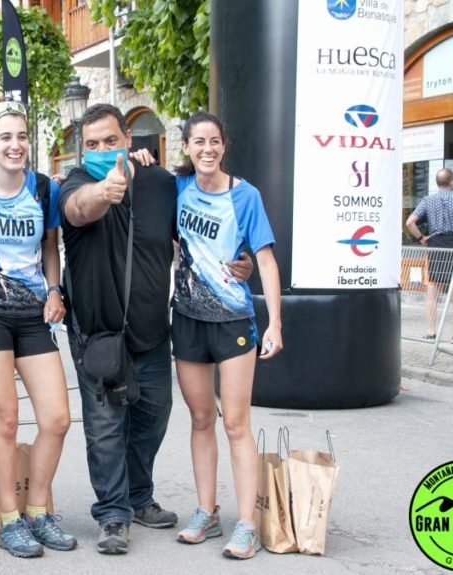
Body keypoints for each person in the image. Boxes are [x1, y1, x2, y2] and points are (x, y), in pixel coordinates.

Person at [59, 104, 252, 555]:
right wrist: (104, 190)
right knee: (105, 427)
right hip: (97, 335)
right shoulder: (75, 183)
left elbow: (200, 231)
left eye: (111, 141)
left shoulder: (162, 184)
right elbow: (78, 210)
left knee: (154, 413)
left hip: (151, 332)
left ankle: (137, 494)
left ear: (128, 140)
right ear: (82, 149)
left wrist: (240, 263)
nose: (102, 149)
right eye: (92, 144)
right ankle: (112, 514)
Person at [0, 100, 75, 557]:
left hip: (31, 314)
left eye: (21, 136)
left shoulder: (43, 188)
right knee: (5, 418)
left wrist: (54, 290)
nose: (15, 144)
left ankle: (38, 511)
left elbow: (50, 246)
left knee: (57, 419)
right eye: (5, 137)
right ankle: (9, 519)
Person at [170, 111, 282, 560]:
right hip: (187, 318)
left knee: (236, 423)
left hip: (234, 321)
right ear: (186, 147)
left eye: (214, 141)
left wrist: (275, 323)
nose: (207, 149)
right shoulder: (178, 188)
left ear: (224, 145)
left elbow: (265, 260)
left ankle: (247, 524)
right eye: (199, 142)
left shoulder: (245, 195)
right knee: (201, 419)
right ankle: (206, 512)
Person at [406, 168, 453, 343]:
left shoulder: (428, 200)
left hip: (436, 244)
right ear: (452, 181)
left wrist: (421, 238)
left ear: (437, 183)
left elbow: (410, 222)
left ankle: (431, 331)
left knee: (433, 288)